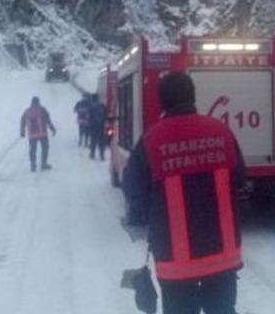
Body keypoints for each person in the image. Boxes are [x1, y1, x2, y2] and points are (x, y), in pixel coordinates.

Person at [124, 72, 246, 314]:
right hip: (223, 254)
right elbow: (240, 178)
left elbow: (134, 190)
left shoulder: (151, 140)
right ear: (193, 97)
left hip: (176, 260)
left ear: (162, 102)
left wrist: (148, 216)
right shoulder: (220, 131)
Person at [20, 96, 56, 171]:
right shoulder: (42, 110)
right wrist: (52, 128)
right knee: (45, 148)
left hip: (32, 134)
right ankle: (43, 164)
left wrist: (22, 131)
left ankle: (33, 165)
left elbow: (22, 121)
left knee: (32, 150)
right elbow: (48, 120)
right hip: (42, 133)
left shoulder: (27, 111)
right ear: (38, 102)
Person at [88, 95, 107, 160]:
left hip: (93, 127)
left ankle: (92, 154)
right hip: (101, 127)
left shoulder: (90, 107)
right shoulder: (102, 106)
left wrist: (89, 126)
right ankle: (102, 155)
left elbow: (89, 117)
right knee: (101, 141)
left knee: (93, 141)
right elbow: (105, 116)